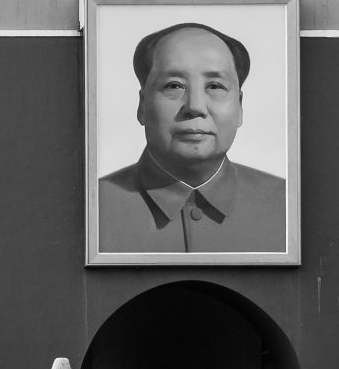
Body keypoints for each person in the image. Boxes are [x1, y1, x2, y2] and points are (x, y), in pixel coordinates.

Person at [97, 22, 288, 254]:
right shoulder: (92, 206)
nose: (195, 107)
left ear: (239, 107)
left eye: (215, 86)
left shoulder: (289, 206)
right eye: (174, 86)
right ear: (142, 105)